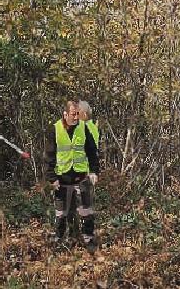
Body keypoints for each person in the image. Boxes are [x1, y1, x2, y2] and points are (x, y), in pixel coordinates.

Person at [45, 100, 100, 252]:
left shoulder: (83, 127)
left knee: (86, 211)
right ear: (65, 114)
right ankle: (60, 240)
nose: (76, 118)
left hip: (81, 177)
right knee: (61, 213)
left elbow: (92, 151)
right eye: (73, 114)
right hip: (61, 178)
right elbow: (49, 156)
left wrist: (94, 171)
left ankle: (89, 239)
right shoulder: (55, 129)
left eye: (77, 114)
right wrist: (52, 178)